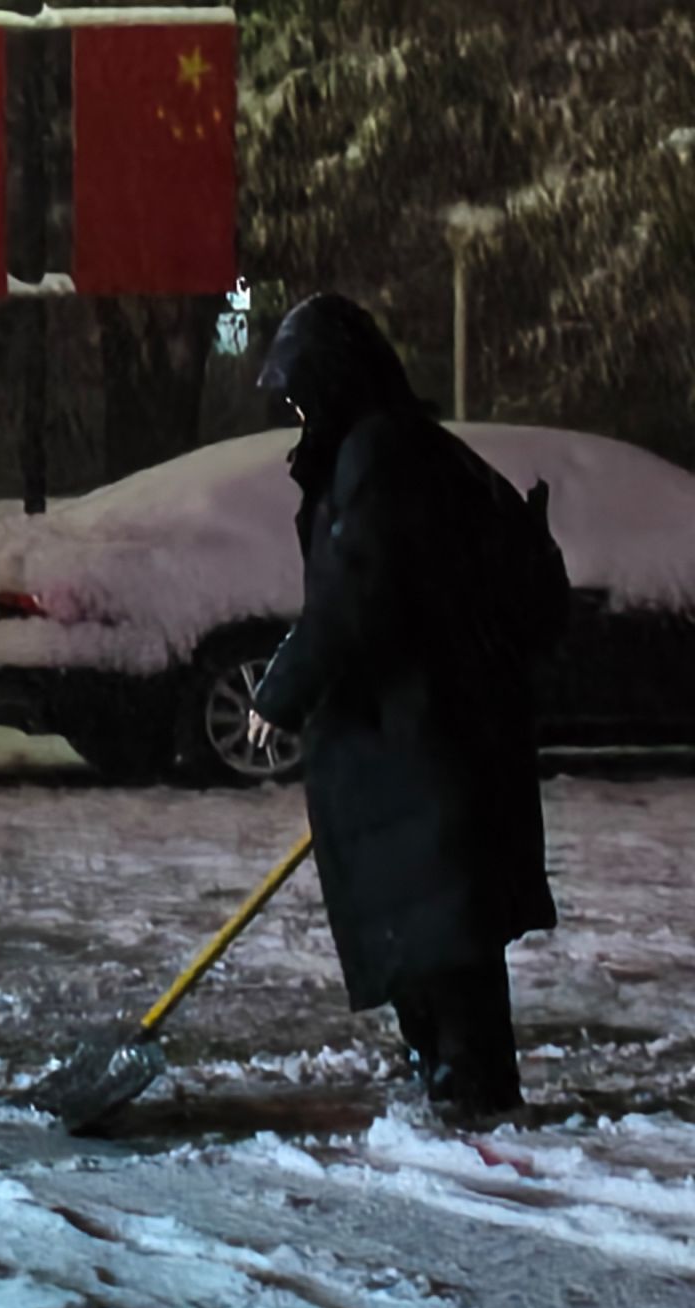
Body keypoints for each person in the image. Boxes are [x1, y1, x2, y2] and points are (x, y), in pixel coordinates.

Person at [244, 293, 570, 1116]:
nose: (295, 411)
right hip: (413, 734)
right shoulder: (383, 448)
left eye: (301, 391)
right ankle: (452, 1076)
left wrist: (284, 689)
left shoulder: (381, 453)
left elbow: (361, 586)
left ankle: (472, 1086)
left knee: (439, 924)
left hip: (422, 738)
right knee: (425, 919)